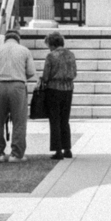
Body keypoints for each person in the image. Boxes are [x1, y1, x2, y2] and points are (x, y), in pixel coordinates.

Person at [0, 27, 36, 163]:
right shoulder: (24, 50)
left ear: (5, 38)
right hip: (17, 86)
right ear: (18, 39)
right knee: (19, 121)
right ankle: (16, 154)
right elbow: (31, 72)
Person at [41, 30, 78, 159]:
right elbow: (74, 73)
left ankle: (58, 151)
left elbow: (46, 76)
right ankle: (67, 149)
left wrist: (42, 81)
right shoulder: (71, 55)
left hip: (54, 89)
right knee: (65, 119)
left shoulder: (51, 56)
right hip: (68, 89)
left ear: (52, 44)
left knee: (55, 120)